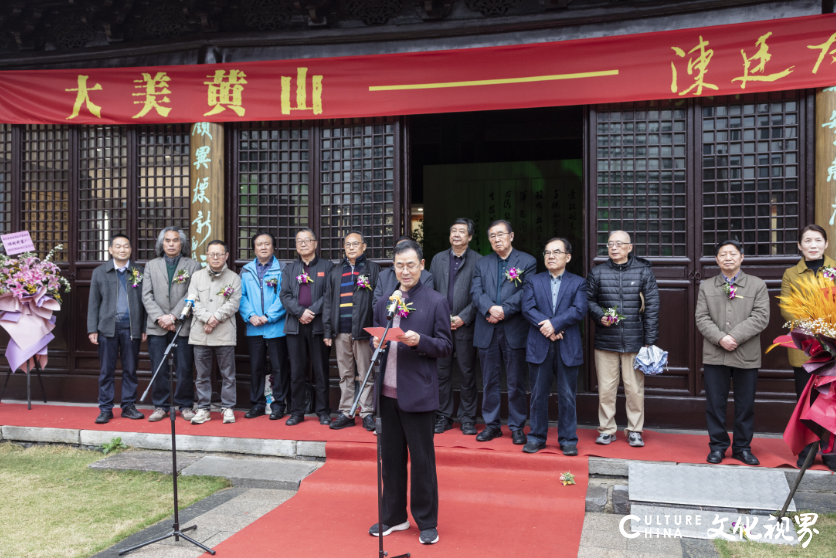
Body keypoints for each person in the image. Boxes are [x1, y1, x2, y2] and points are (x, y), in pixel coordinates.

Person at [368, 240, 452, 546]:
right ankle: (394, 516)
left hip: (418, 393)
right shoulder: (383, 302)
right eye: (399, 265)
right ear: (394, 267)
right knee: (389, 460)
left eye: (410, 265)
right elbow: (377, 338)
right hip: (387, 394)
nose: (405, 270)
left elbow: (445, 346)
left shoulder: (435, 301)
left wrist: (421, 341)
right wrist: (374, 344)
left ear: (422, 264)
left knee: (422, 460)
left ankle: (427, 521)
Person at [695, 239, 769, 465]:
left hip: (746, 354)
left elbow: (761, 317)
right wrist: (720, 338)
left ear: (742, 257)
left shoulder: (757, 285)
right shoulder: (706, 286)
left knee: (745, 404)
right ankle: (717, 446)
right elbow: (701, 317)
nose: (728, 257)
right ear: (717, 259)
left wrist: (734, 337)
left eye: (733, 253)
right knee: (715, 404)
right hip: (715, 354)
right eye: (723, 254)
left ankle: (742, 448)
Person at [586, 230, 659, 447]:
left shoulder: (643, 272)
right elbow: (588, 300)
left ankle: (635, 429)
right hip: (605, 340)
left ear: (630, 247)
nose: (614, 248)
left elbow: (652, 307)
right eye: (610, 244)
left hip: (635, 340)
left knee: (634, 388)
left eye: (619, 244)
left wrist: (650, 340)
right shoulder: (597, 272)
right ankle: (607, 429)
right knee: (606, 388)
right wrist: (600, 317)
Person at [471, 220, 537, 445]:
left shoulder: (527, 261)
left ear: (511, 236)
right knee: (489, 380)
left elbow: (527, 292)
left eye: (500, 234)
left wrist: (503, 311)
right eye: (492, 236)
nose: (496, 239)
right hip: (487, 328)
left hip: (514, 329)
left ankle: (517, 426)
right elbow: (476, 292)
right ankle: (492, 425)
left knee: (516, 380)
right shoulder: (482, 263)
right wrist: (490, 308)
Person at [521, 238, 587, 455]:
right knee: (538, 393)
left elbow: (579, 310)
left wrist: (554, 324)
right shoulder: (533, 281)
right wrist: (549, 327)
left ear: (567, 257)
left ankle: (568, 439)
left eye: (556, 252)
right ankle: (537, 437)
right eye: (547, 252)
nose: (551, 256)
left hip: (568, 345)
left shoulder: (578, 282)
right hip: (539, 344)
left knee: (567, 394)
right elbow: (528, 308)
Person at [780, 224, 836, 469]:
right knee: (806, 400)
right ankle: (807, 452)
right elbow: (787, 308)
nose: (813, 245)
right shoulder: (791, 274)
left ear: (825, 244)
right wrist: (813, 327)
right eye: (808, 241)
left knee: (832, 400)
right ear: (800, 246)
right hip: (806, 347)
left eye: (818, 240)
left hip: (834, 347)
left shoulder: (835, 269)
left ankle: (832, 452)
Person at [142, 227, 202, 423]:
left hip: (182, 325)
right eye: (167, 240)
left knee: (184, 367)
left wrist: (173, 316)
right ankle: (161, 406)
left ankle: (185, 405)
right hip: (157, 326)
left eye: (175, 240)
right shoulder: (151, 265)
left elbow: (192, 294)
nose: (171, 244)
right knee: (158, 367)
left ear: (181, 243)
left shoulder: (193, 265)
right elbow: (146, 295)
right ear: (161, 243)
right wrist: (161, 317)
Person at [428, 218, 482, 435]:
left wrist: (464, 317)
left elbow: (480, 294)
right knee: (441, 373)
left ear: (469, 237)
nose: (456, 234)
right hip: (440, 327)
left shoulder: (479, 260)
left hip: (465, 325)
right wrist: (440, 318)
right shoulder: (438, 259)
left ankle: (468, 418)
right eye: (453, 231)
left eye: (461, 231)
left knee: (467, 372)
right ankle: (443, 416)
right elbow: (430, 290)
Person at [323, 231, 380, 431]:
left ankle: (366, 413)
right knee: (345, 374)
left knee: (366, 373)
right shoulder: (336, 272)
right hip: (341, 331)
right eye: (348, 244)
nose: (352, 247)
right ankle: (346, 411)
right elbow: (328, 303)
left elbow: (378, 301)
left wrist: (377, 330)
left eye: (356, 244)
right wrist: (327, 331)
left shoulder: (373, 270)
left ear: (364, 247)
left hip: (364, 330)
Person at [87, 234, 147, 424]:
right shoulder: (100, 272)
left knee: (130, 369)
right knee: (107, 370)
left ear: (131, 249)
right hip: (107, 329)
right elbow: (93, 303)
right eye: (118, 246)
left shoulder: (139, 271)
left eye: (126, 246)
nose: (122, 249)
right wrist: (92, 329)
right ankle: (105, 408)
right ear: (110, 250)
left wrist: (143, 327)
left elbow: (146, 303)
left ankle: (128, 406)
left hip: (132, 328)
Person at [280, 228, 334, 426]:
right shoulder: (289, 269)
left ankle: (323, 411)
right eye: (299, 241)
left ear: (315, 243)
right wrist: (300, 312)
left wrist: (311, 311)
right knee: (297, 371)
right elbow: (284, 295)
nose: (303, 244)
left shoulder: (327, 267)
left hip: (318, 325)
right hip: (295, 326)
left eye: (307, 240)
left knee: (321, 369)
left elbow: (329, 293)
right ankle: (297, 411)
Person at [187, 240, 242, 425]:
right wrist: (207, 318)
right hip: (200, 333)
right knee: (201, 376)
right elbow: (192, 301)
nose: (215, 257)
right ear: (206, 256)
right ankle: (203, 409)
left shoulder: (234, 277)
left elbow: (234, 303)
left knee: (228, 374)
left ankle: (228, 408)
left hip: (224, 333)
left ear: (226, 256)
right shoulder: (196, 276)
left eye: (219, 254)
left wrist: (215, 318)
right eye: (212, 254)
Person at [239, 231, 291, 421]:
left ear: (273, 247)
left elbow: (284, 294)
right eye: (259, 244)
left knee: (279, 367)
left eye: (267, 244)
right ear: (254, 248)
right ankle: (257, 404)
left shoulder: (283, 269)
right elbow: (240, 296)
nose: (263, 247)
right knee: (256, 367)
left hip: (275, 327)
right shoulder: (245, 270)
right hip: (254, 327)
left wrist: (269, 316)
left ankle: (278, 404)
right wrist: (251, 315)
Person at [372, 235, 434, 310]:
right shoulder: (383, 276)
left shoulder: (426, 276)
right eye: (400, 249)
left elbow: (428, 304)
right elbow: (377, 306)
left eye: (410, 266)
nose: (405, 272)